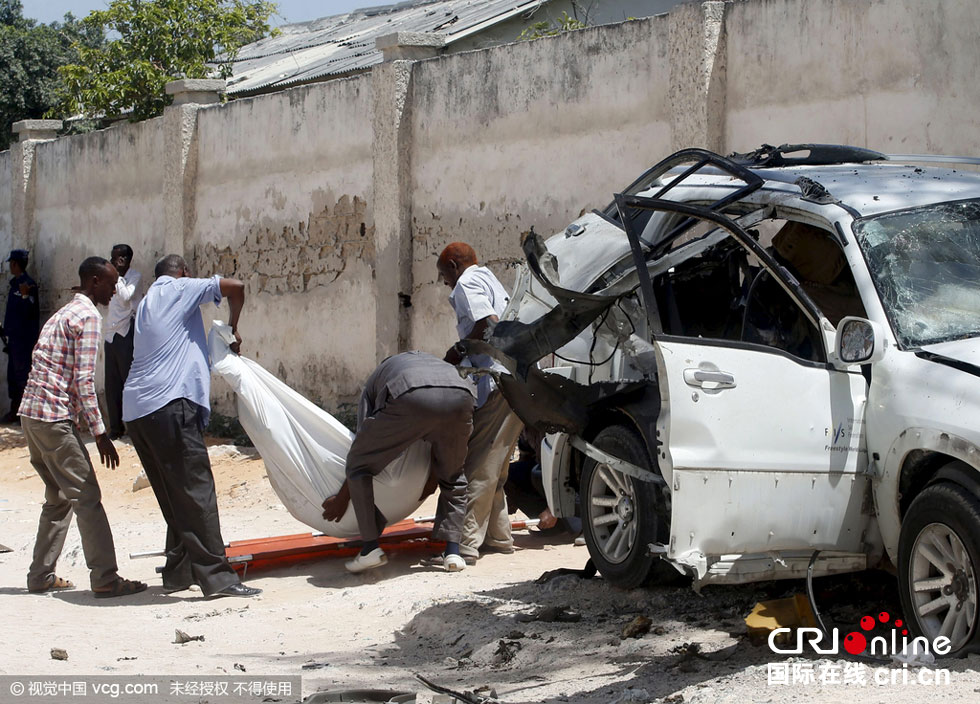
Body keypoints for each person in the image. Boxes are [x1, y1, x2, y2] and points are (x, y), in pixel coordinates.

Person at [122, 255, 260, 599]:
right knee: (197, 491)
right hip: (170, 404)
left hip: (138, 410)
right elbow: (236, 287)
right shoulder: (180, 287)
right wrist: (234, 325)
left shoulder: (147, 302)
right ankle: (218, 578)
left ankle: (178, 570)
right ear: (183, 272)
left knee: (174, 492)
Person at [19, 256, 147, 598]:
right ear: (93, 281)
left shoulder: (62, 314)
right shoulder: (89, 317)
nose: (113, 290)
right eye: (109, 283)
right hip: (53, 417)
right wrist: (101, 433)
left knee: (59, 496)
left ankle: (40, 575)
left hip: (31, 415)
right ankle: (105, 578)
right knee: (87, 497)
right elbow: (82, 382)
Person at [321, 351, 477, 573]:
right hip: (464, 395)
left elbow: (364, 447)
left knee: (358, 466)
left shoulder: (376, 379)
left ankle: (370, 548)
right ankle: (452, 552)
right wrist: (434, 476)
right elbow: (440, 431)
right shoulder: (431, 363)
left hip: (409, 394)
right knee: (453, 477)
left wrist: (342, 498)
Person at [436, 242, 524, 564]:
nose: (444, 281)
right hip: (515, 379)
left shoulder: (467, 283)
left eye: (443, 273)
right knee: (496, 466)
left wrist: (458, 351)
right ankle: (499, 539)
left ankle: (467, 544)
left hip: (499, 379)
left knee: (478, 465)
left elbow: (488, 321)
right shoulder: (488, 278)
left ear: (453, 265)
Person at [103, 244, 142, 439]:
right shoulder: (112, 279)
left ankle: (136, 427)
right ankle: (116, 428)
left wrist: (117, 276)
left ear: (124, 259)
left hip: (127, 333)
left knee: (129, 382)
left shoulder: (134, 277)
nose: (112, 262)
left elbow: (126, 297)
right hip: (110, 334)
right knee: (112, 384)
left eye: (116, 259)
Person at [2, 249, 40, 423]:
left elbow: (29, 313)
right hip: (14, 339)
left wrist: (25, 296)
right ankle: (14, 410)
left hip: (24, 340)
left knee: (22, 376)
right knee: (13, 376)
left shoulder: (28, 285)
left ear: (16, 264)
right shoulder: (14, 284)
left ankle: (24, 414)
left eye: (11, 263)